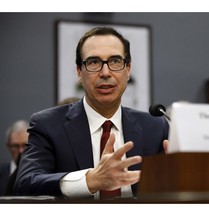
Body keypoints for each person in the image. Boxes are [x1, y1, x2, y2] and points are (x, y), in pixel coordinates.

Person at [14, 27, 169, 199]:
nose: (105, 73)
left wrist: (181, 174)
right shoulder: (48, 125)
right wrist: (90, 180)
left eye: (115, 61)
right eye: (94, 62)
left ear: (128, 69)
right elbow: (25, 184)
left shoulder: (155, 127)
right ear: (79, 72)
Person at [0, 120, 29, 196]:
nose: (20, 151)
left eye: (25, 145)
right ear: (8, 146)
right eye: (15, 146)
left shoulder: (42, 174)